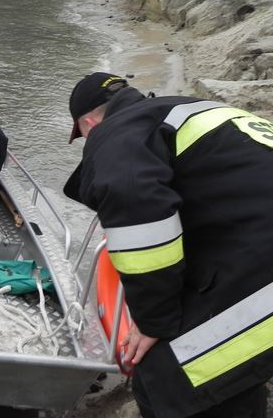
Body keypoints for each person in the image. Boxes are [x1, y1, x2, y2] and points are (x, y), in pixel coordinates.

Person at [63, 72, 273, 418]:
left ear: (89, 124)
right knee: (230, 372)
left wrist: (153, 322)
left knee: (169, 373)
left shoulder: (115, 131)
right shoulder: (189, 110)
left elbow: (137, 210)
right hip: (250, 244)